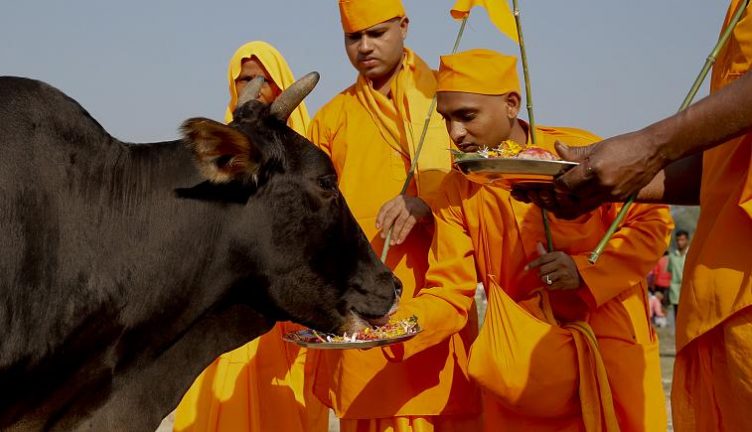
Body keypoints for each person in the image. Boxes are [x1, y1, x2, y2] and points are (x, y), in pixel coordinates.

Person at [391, 48, 672, 431]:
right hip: (525, 364)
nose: (455, 133)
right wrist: (396, 325)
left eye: (467, 116)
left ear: (511, 104)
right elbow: (449, 291)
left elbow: (651, 223)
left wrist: (586, 268)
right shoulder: (457, 189)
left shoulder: (573, 154)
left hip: (607, 346)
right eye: (446, 118)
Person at [514, 2, 751, 429]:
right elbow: (725, 165)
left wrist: (653, 146)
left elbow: (651, 229)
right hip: (720, 295)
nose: (457, 132)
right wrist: (603, 188)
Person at [307, 1, 481, 431]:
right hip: (363, 298)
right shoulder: (331, 119)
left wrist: (429, 205)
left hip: (436, 290)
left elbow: (485, 188)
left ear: (404, 27)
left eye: (377, 33)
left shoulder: (449, 103)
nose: (365, 46)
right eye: (354, 37)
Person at [172, 41, 327, 432]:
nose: (256, 88)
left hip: (294, 319)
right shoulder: (216, 156)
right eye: (245, 79)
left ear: (283, 86)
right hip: (232, 313)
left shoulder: (313, 152)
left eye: (266, 79)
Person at [667, 230, 690, 320]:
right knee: (678, 318)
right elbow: (669, 271)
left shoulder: (691, 254)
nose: (680, 242)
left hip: (688, 291)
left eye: (682, 240)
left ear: (687, 240)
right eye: (678, 240)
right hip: (675, 292)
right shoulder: (672, 257)